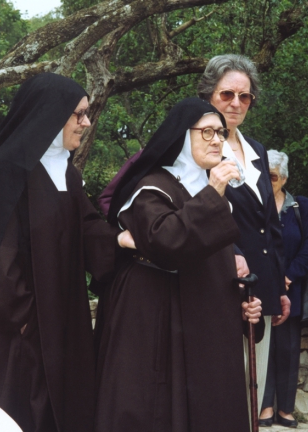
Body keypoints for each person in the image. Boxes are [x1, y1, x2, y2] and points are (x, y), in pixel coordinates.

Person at [0, 73, 133, 432]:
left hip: (62, 321)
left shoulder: (66, 174)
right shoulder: (4, 172)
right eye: (79, 114)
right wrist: (25, 318)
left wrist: (122, 240)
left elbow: (88, 230)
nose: (86, 122)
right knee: (16, 410)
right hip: (19, 330)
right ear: (50, 114)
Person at [97, 97, 263, 432]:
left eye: (221, 132)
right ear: (182, 136)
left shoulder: (209, 190)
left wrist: (240, 307)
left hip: (203, 322)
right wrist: (214, 192)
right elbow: (167, 243)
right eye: (207, 132)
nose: (217, 140)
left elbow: (212, 262)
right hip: (156, 321)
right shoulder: (150, 188)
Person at [197, 54, 290, 414]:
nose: (236, 103)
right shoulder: (196, 150)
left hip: (261, 290)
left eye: (245, 96)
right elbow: (197, 215)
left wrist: (277, 285)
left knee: (255, 386)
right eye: (226, 94)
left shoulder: (257, 151)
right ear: (208, 95)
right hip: (219, 289)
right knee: (222, 395)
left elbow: (271, 223)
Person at [258, 150, 308, 428]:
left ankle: (286, 409)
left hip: (291, 288)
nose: (268, 182)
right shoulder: (254, 205)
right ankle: (264, 406)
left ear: (284, 178)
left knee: (288, 350)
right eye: (264, 176)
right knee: (263, 347)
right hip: (261, 287)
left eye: (273, 177)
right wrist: (271, 278)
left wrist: (288, 277)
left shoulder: (301, 206)